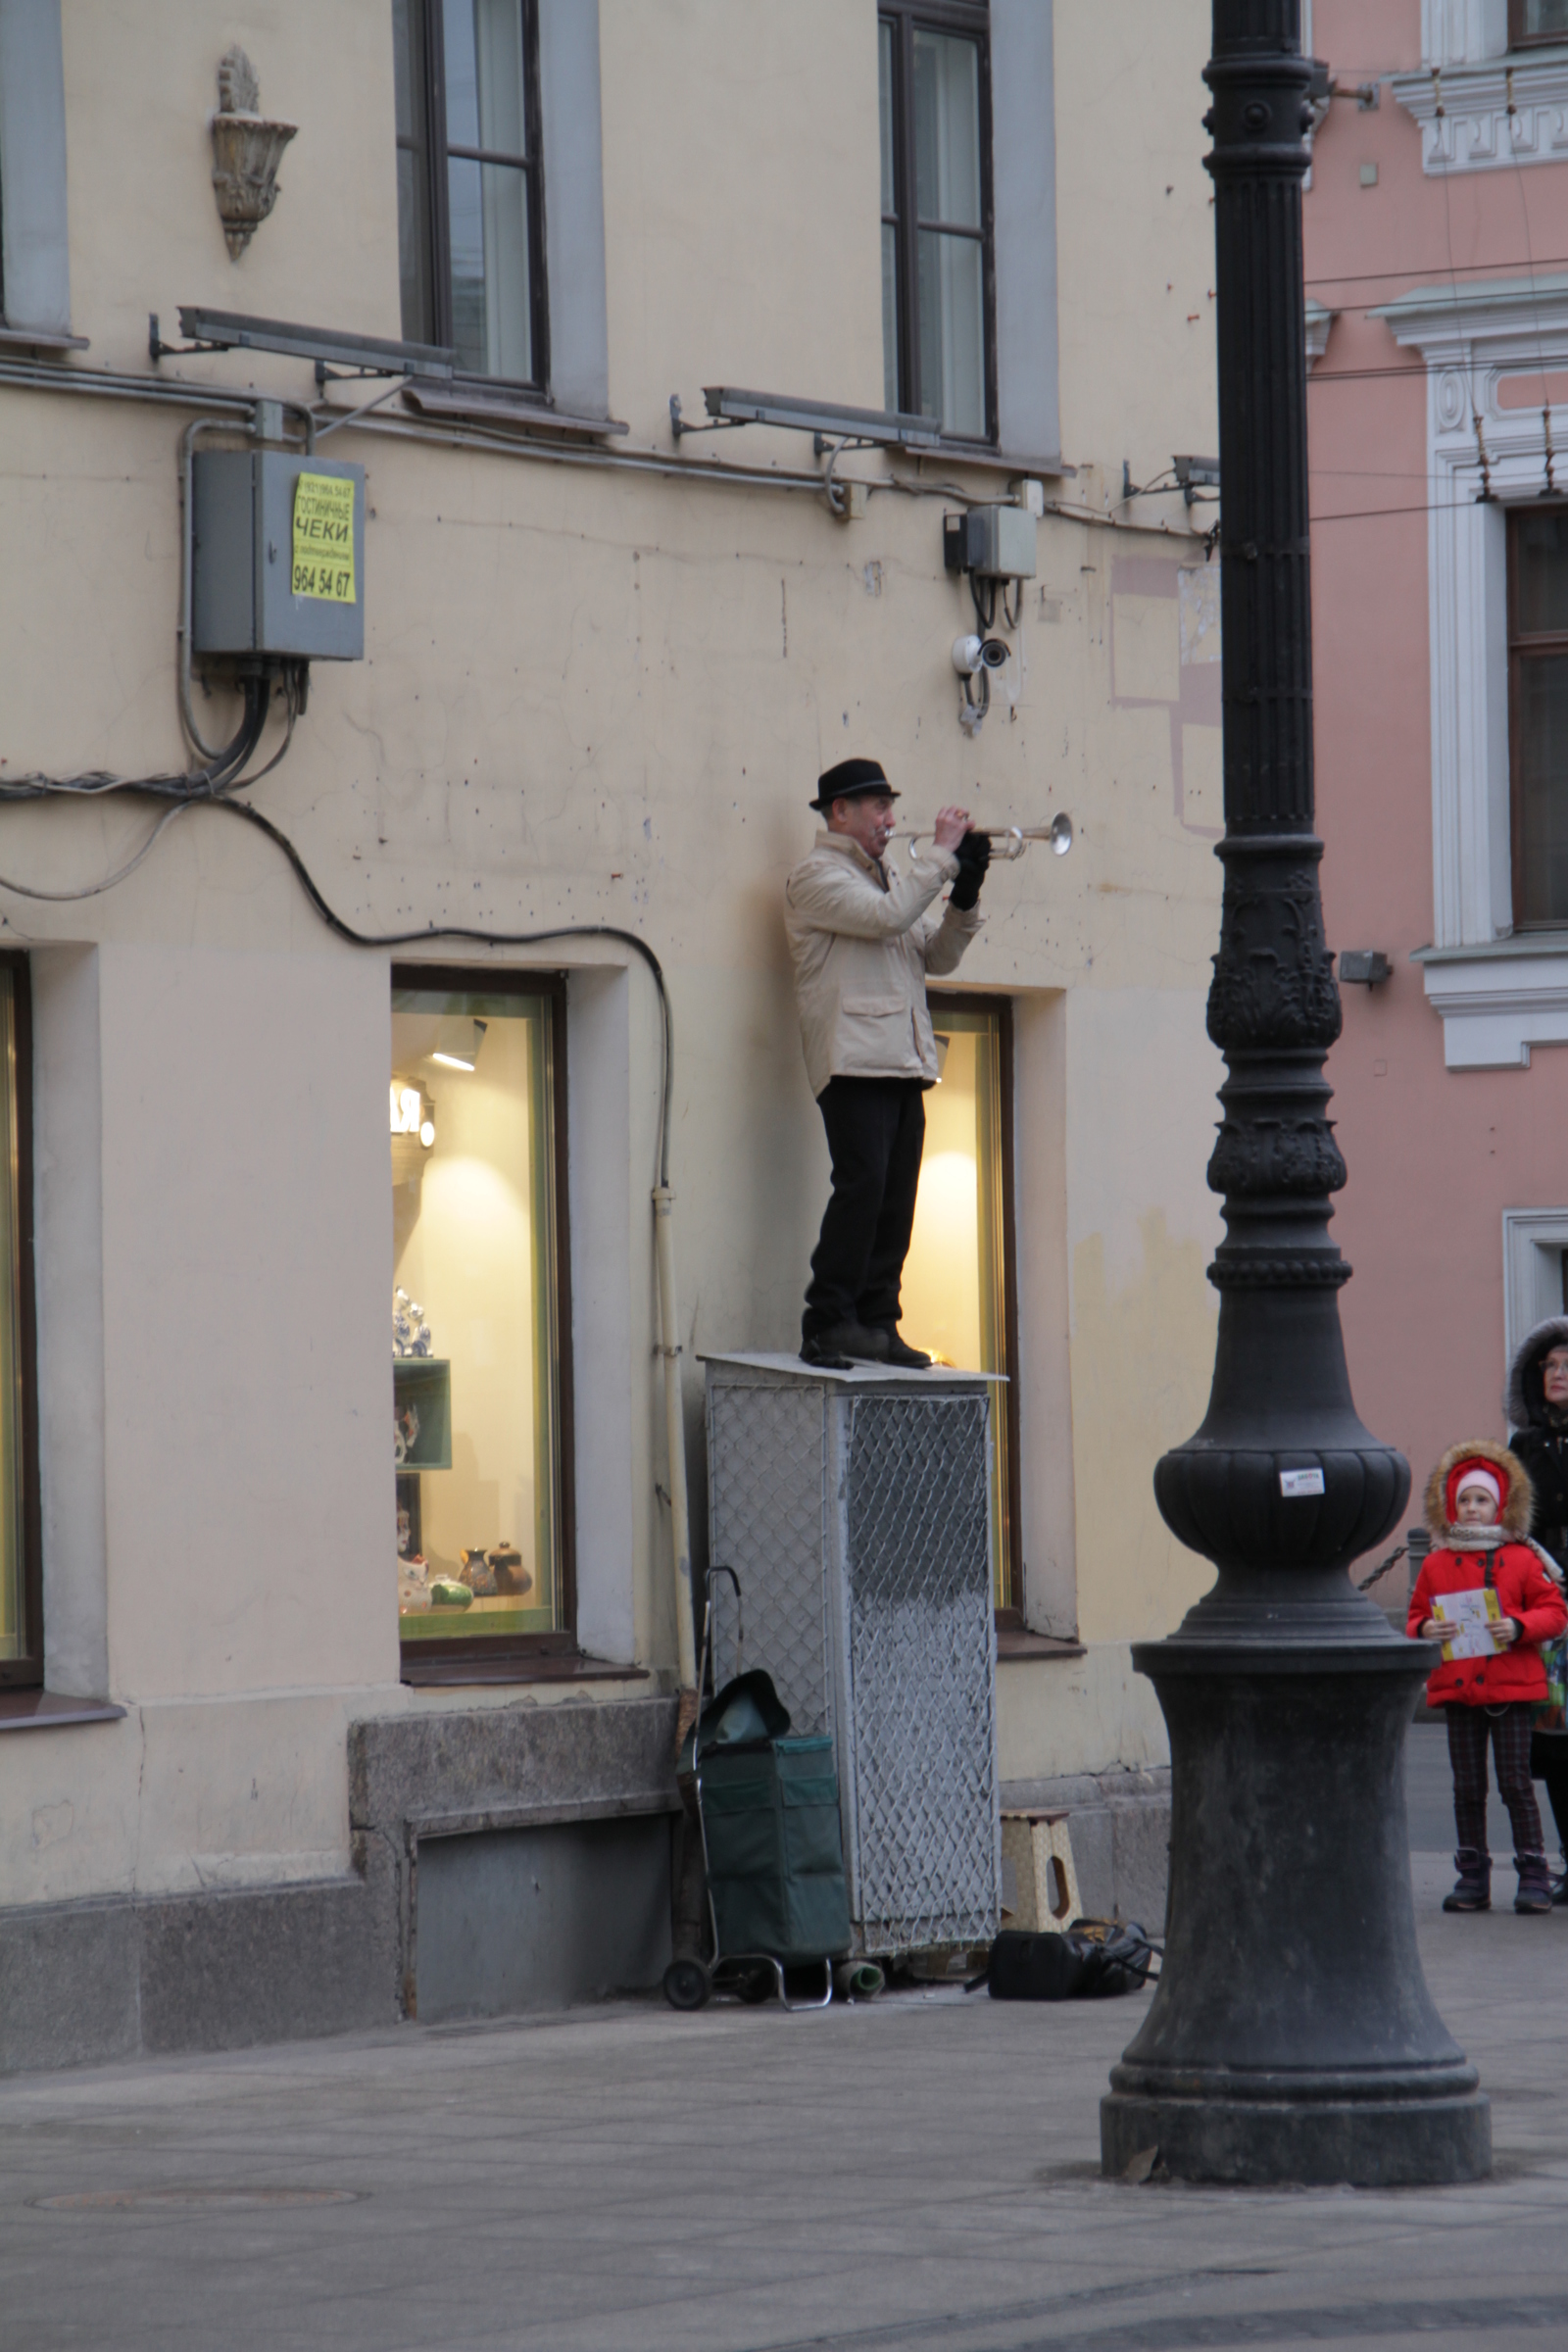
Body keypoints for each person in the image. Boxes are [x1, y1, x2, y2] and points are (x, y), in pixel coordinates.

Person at [784, 757, 989, 1369]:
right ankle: (827, 1321)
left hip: (901, 1058)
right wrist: (942, 859)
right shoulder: (816, 877)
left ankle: (876, 1320)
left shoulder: (890, 876)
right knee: (863, 1186)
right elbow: (886, 919)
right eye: (879, 808)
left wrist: (966, 894)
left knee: (896, 1197)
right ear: (839, 813)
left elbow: (937, 954)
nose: (891, 821)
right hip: (852, 1060)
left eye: (890, 809)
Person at [1406, 1440, 1567, 1914]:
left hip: (1512, 1689)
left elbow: (1554, 1612)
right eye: (1464, 1500)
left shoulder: (1520, 1557)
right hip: (1458, 1691)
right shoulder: (1436, 1563)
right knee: (1466, 1786)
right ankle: (1472, 1874)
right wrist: (1425, 1628)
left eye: (1482, 1500)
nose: (1472, 1509)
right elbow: (1416, 1616)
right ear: (1450, 1506)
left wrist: (1519, 1626)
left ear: (1501, 1505)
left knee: (1516, 1782)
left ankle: (1533, 1871)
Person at [1505, 1315, 1568, 1898]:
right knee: (1556, 1738)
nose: (1558, 1373)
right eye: (1550, 1364)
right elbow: (1514, 1525)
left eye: (1567, 1364)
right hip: (1551, 1607)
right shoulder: (1524, 1446)